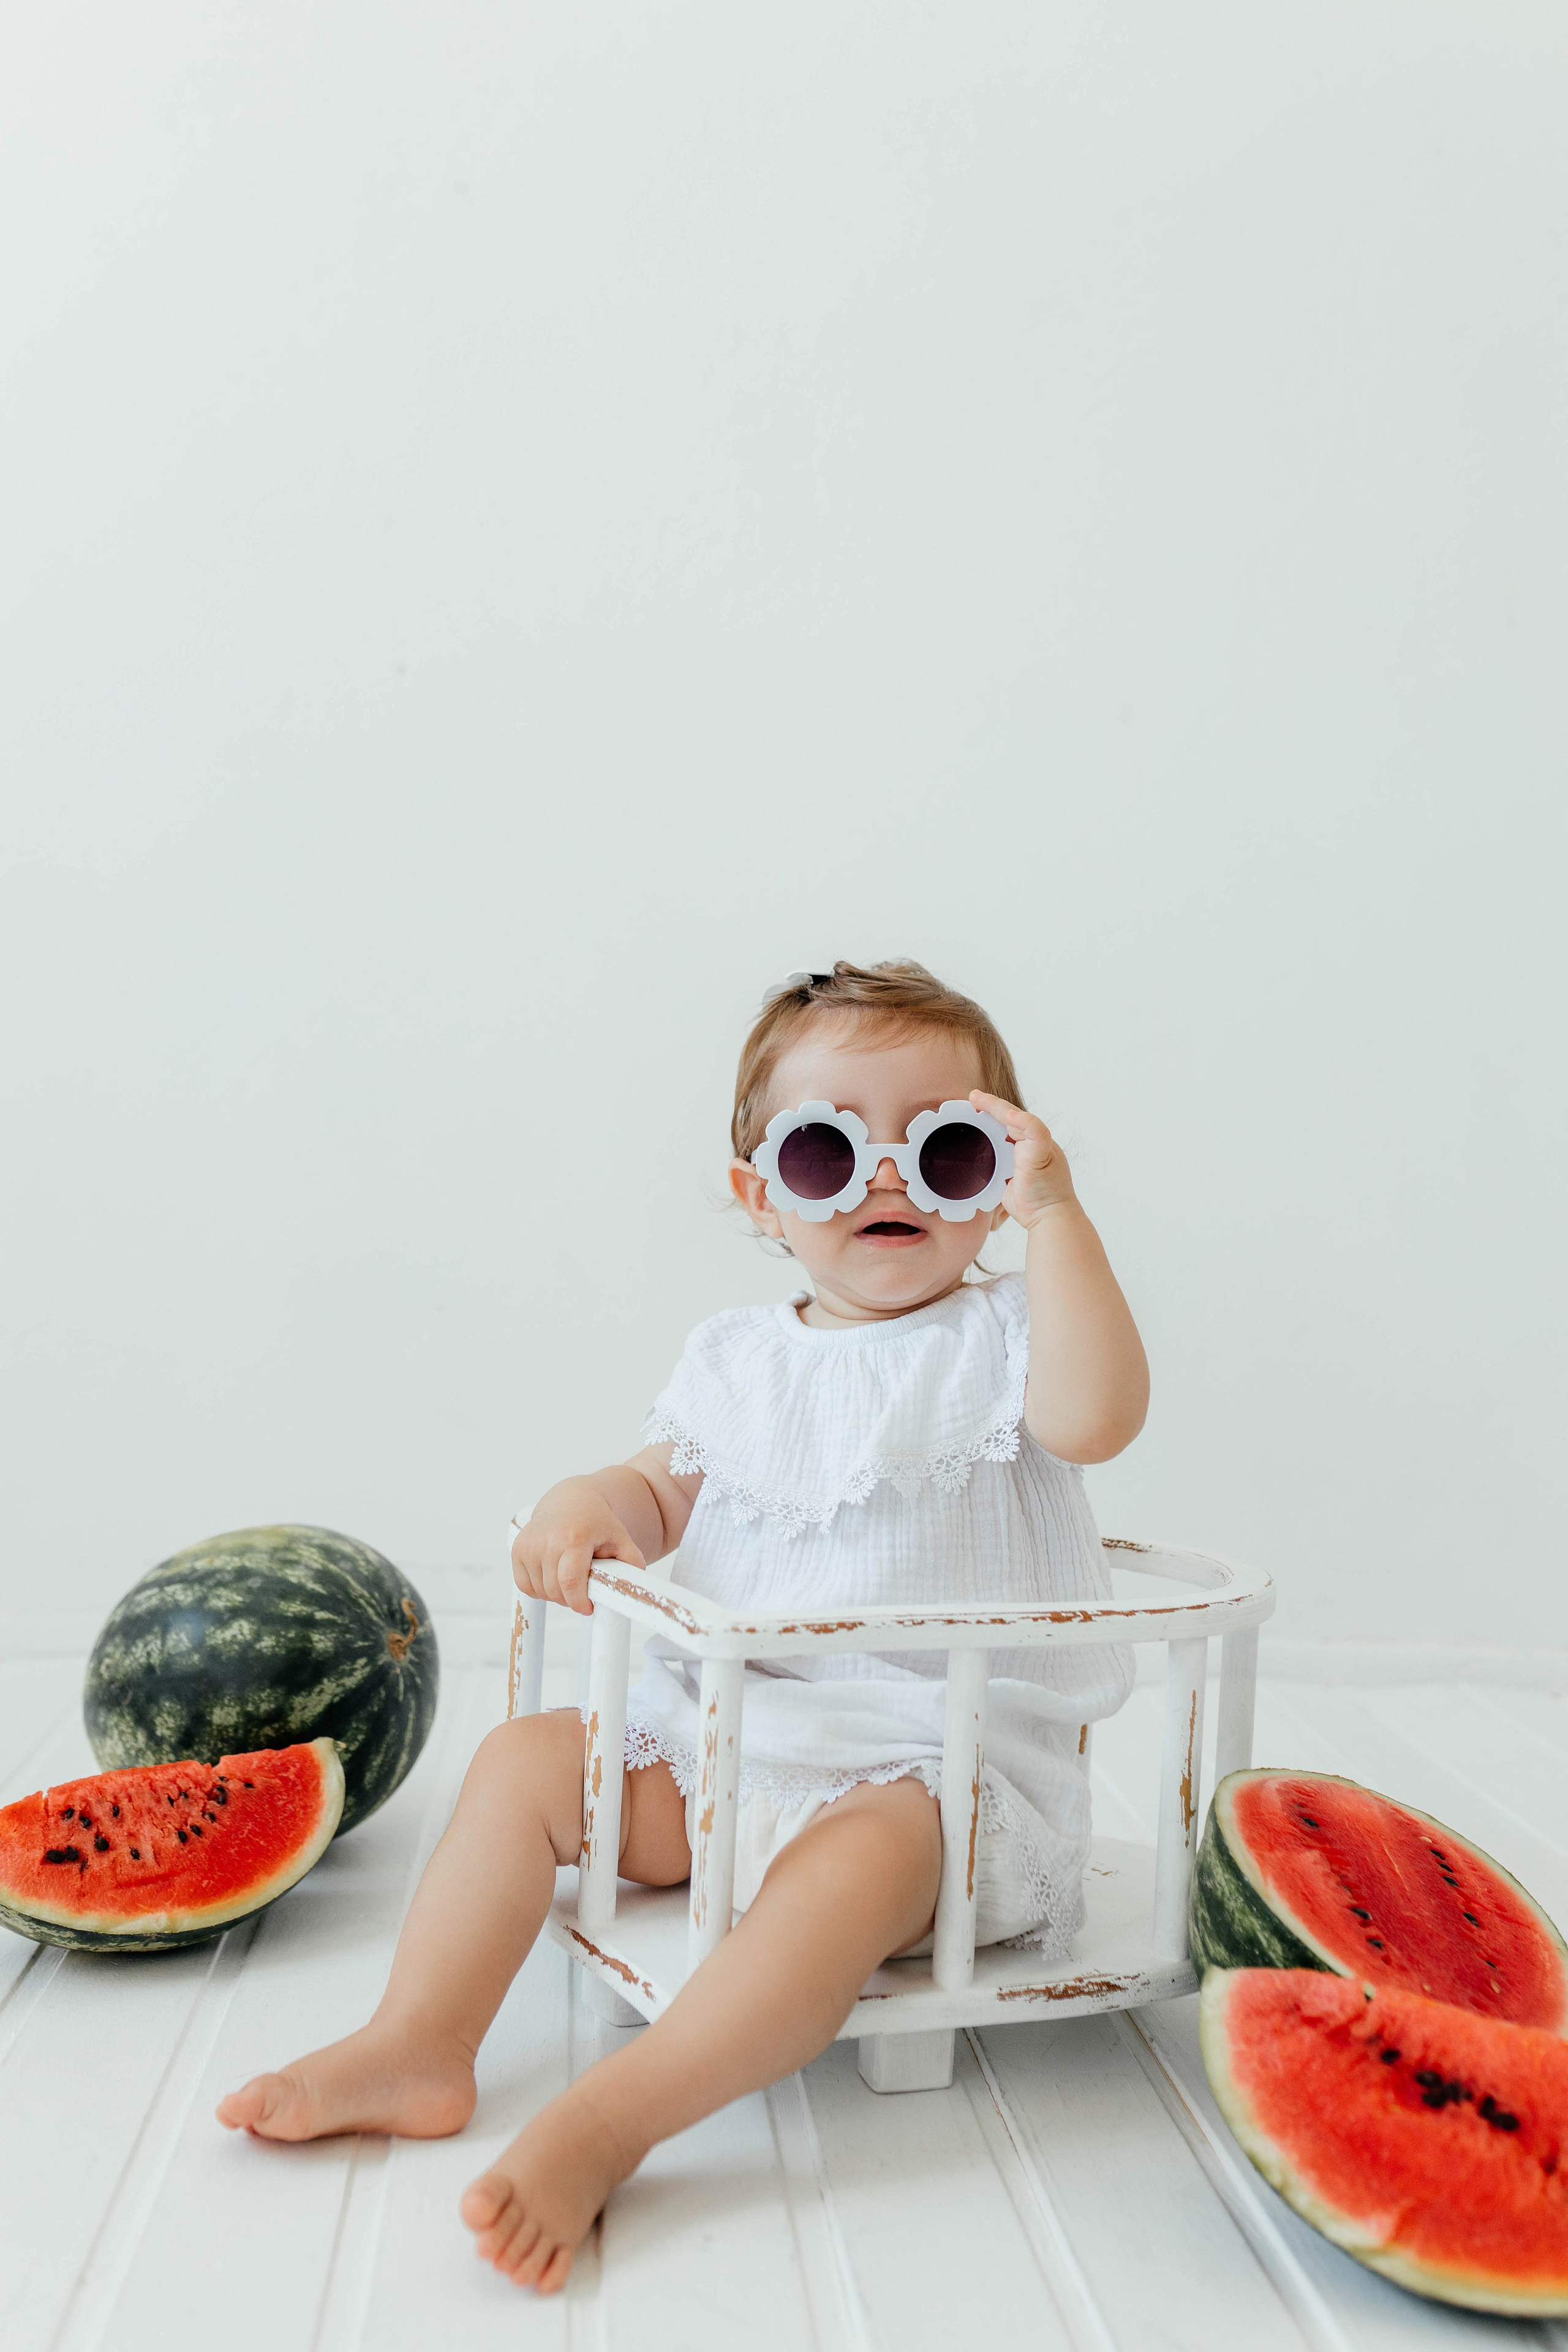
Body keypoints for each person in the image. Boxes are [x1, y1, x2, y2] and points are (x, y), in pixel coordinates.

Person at [217, 959, 1150, 2293]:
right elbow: (656, 1492)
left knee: (842, 1880)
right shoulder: (732, 1359)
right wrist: (584, 1500)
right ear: (759, 1193)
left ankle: (615, 2116)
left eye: (942, 1150)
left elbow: (1096, 1417)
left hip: (931, 1779)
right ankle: (417, 2039)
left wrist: (1057, 1221)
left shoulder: (1009, 1335)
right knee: (526, 1765)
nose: (885, 1181)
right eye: (830, 1149)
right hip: (726, 1741)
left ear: (995, 1177)